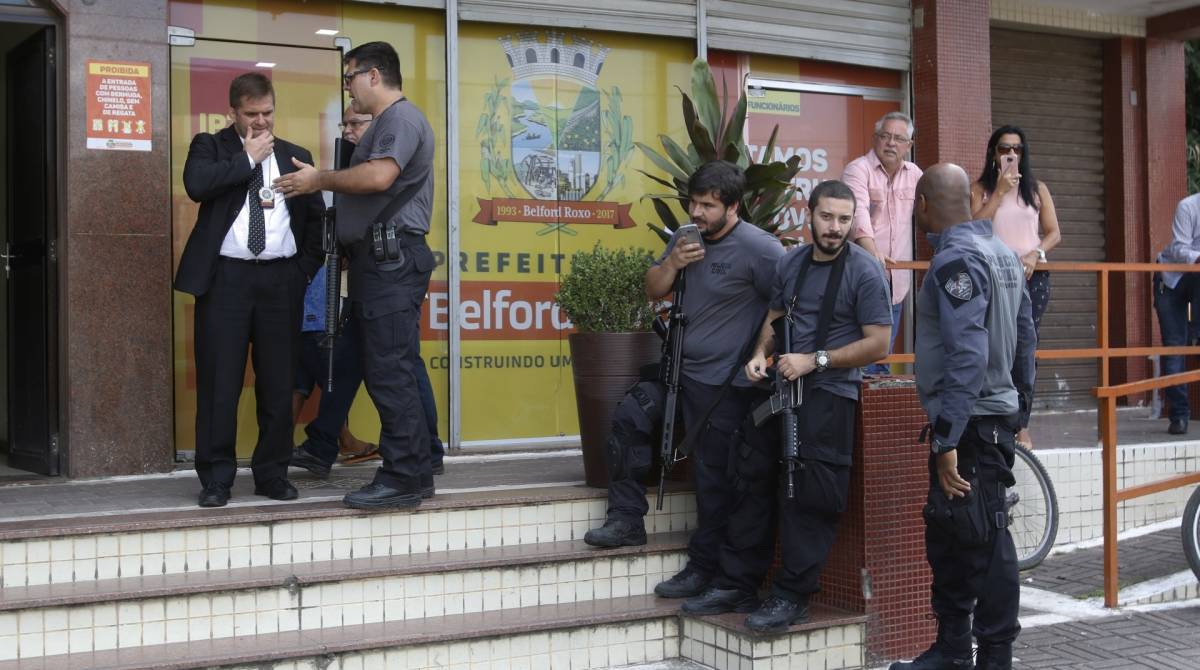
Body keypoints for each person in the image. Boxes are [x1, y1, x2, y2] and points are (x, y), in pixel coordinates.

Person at [681, 179, 892, 632]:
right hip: (780, 391)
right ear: (809, 216)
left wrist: (816, 360)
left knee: (808, 497)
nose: (835, 228)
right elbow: (774, 321)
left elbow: (879, 344)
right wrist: (761, 355)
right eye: (826, 217)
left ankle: (792, 595)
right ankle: (737, 581)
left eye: (843, 219)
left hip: (830, 396)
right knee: (750, 479)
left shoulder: (865, 270)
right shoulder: (792, 262)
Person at [583, 161, 785, 602]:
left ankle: (704, 569)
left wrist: (759, 354)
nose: (697, 211)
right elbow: (653, 288)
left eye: (708, 205)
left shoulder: (760, 248)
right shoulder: (685, 237)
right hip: (679, 375)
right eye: (693, 202)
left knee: (715, 480)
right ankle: (626, 520)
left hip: (726, 386)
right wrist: (673, 262)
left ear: (733, 207)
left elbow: (785, 304)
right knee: (629, 419)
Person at [273, 41, 437, 509]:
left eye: (350, 78)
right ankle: (415, 472)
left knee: (390, 371)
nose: (347, 87)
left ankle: (403, 476)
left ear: (373, 75)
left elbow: (379, 177)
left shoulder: (400, 120)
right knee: (388, 366)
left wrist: (318, 179)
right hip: (376, 262)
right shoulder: (387, 123)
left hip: (391, 263)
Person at [890, 164, 1036, 670]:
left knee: (984, 539)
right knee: (953, 536)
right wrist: (1022, 407)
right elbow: (1027, 340)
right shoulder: (1003, 254)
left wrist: (947, 436)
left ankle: (992, 657)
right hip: (985, 419)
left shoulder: (954, 260)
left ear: (925, 204)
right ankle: (952, 653)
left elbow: (968, 353)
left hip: (969, 426)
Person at [174, 72, 325, 508]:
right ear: (233, 113)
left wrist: (302, 271)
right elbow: (197, 185)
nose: (261, 122)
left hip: (281, 280)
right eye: (252, 115)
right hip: (226, 280)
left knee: (278, 384)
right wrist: (246, 156)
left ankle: (272, 474)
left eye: (268, 113)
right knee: (219, 381)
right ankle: (217, 479)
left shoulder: (296, 155)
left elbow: (316, 220)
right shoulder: (211, 147)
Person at [289, 107, 447, 477]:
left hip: (392, 263)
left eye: (355, 124)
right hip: (368, 264)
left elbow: (379, 191)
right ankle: (324, 441)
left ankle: (426, 450)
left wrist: (321, 181)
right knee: (354, 355)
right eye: (343, 124)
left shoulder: (392, 152)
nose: (347, 131)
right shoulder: (356, 163)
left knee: (401, 360)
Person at [971, 125, 1061, 448]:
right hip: (992, 278)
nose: (1011, 154)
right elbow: (974, 229)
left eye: (1017, 149)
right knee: (995, 347)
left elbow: (1053, 232)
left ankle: (1021, 422)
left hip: (1031, 277)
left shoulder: (1037, 190)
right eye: (1004, 149)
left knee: (1025, 348)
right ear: (993, 154)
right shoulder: (980, 189)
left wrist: (1036, 254)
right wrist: (999, 192)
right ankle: (995, 415)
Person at [843, 111, 922, 375]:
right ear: (875, 138)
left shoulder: (915, 175)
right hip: (862, 277)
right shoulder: (858, 169)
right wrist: (872, 253)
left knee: (881, 355)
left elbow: (934, 212)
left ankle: (876, 412)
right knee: (859, 357)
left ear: (908, 146)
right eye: (885, 136)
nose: (891, 143)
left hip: (895, 284)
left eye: (899, 138)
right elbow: (858, 214)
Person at [1153, 192, 1200, 435]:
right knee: (1175, 346)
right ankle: (1179, 415)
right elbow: (1181, 248)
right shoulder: (1188, 206)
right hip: (1171, 278)